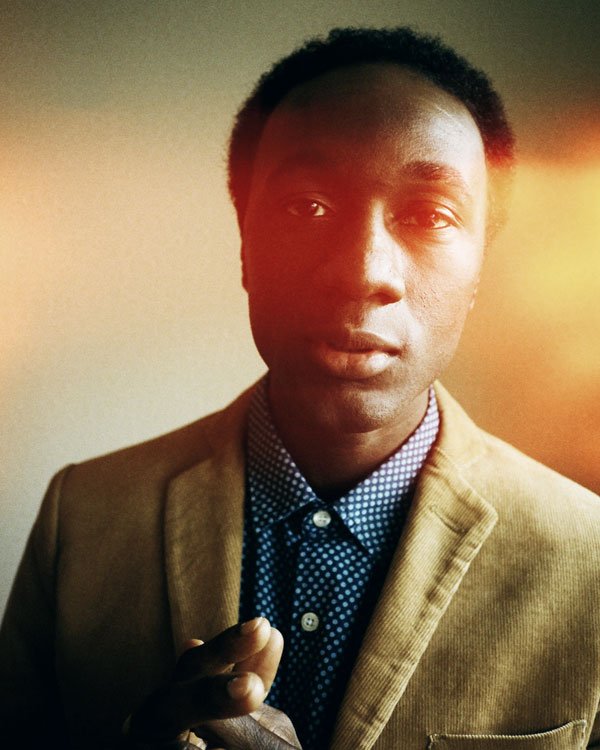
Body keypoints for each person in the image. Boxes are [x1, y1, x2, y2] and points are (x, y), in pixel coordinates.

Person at [1, 25, 599, 750]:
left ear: (479, 269)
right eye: (308, 206)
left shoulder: (588, 560)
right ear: (245, 245)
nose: (363, 270)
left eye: (429, 215)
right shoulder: (84, 518)